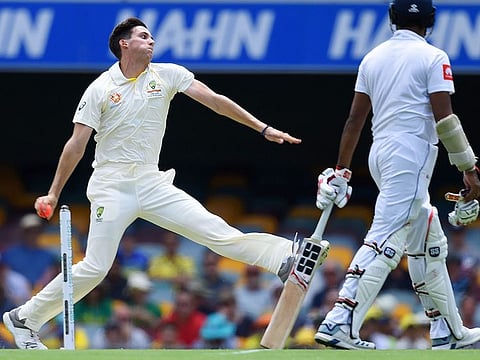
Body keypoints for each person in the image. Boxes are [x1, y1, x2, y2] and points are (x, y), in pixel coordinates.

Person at [1, 17, 314, 350]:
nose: (152, 42)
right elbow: (76, 144)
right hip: (111, 184)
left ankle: (283, 257)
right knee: (94, 268)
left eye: (152, 37)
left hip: (152, 181)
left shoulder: (168, 74)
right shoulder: (101, 89)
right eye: (144, 36)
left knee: (216, 231)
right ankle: (24, 319)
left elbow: (216, 101)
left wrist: (263, 128)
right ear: (124, 44)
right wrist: (53, 192)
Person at [313, 0, 480, 350]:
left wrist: (342, 169)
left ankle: (448, 330)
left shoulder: (372, 58)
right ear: (430, 23)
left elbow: (354, 121)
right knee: (386, 239)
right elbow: (445, 120)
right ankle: (340, 322)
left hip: (380, 152)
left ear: (392, 19)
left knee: (428, 237)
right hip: (411, 153)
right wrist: (468, 167)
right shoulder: (434, 57)